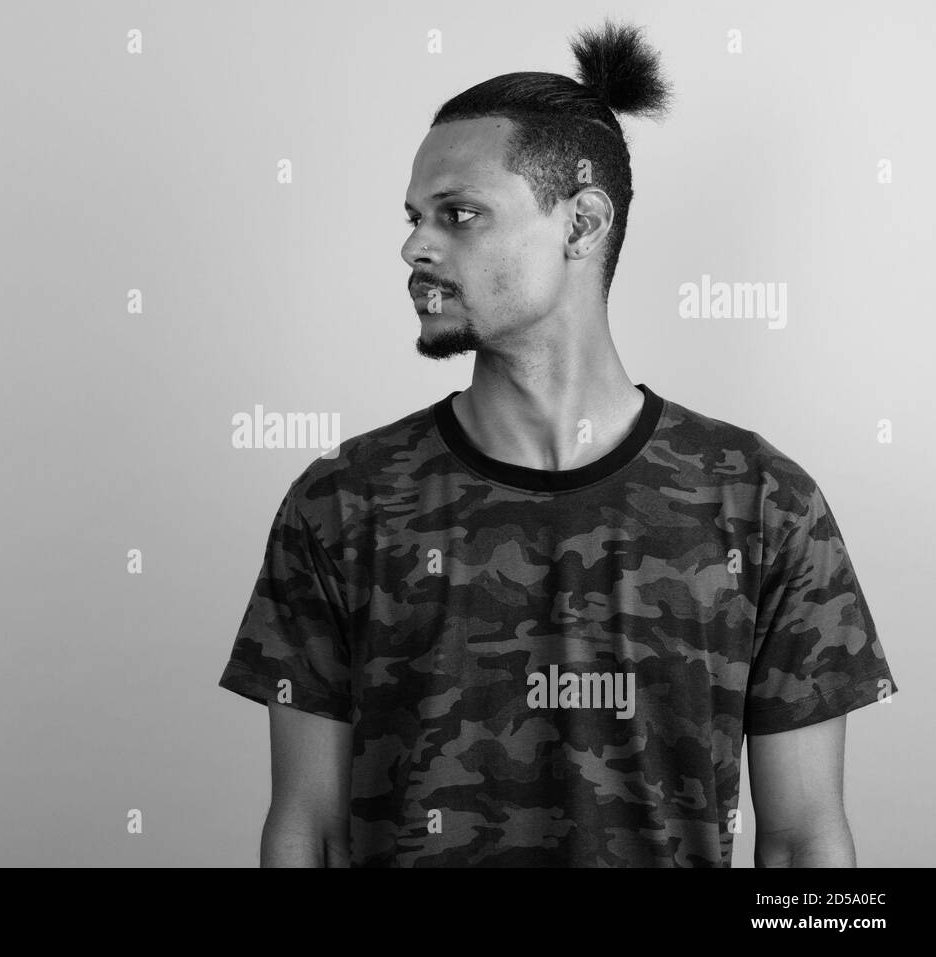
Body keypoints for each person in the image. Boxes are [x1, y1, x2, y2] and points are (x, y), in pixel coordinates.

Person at [216, 19, 898, 867]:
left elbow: (803, 843)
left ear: (581, 224)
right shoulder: (341, 500)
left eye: (459, 215)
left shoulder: (763, 502)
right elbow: (306, 830)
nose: (414, 246)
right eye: (415, 217)